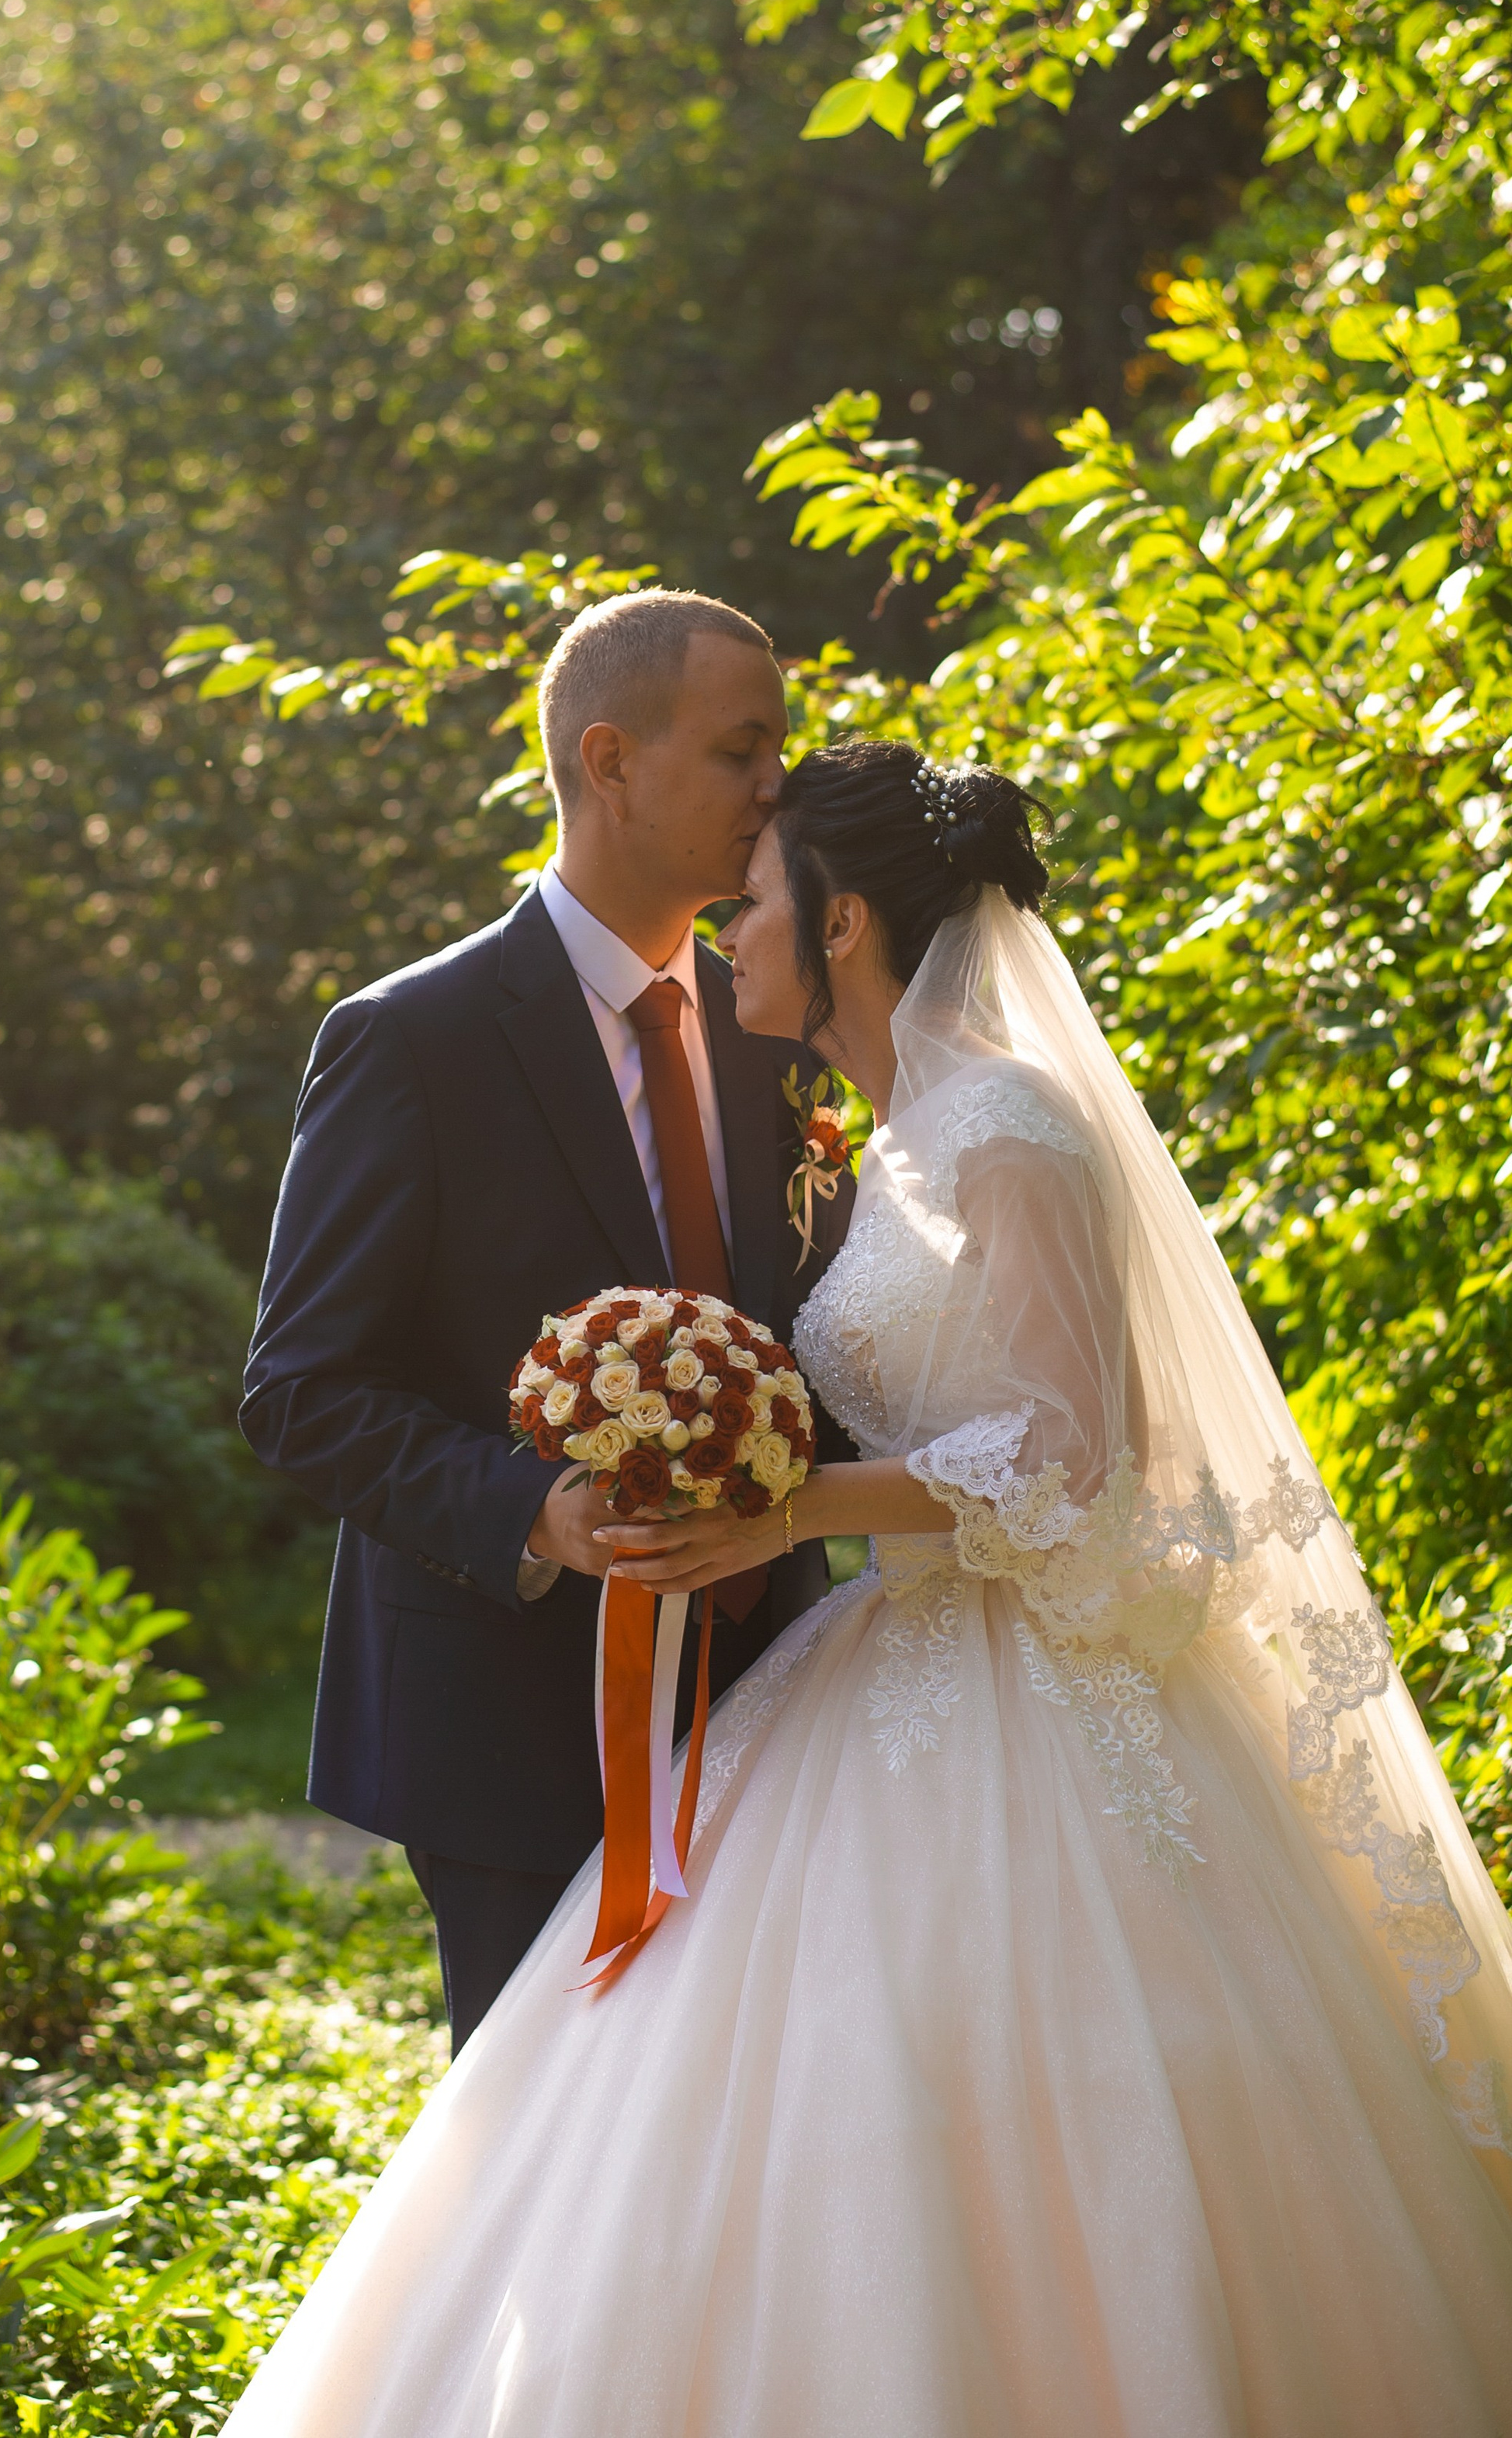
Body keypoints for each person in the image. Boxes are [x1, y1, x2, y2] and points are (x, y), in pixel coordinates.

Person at [224, 737, 1512, 2438]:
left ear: (839, 926)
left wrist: (776, 1504)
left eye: (759, 886)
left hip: (996, 1686)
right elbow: (308, 1379)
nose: (729, 916)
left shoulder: (1003, 1126)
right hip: (821, 1658)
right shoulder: (872, 1126)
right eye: (737, 774)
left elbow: (1066, 1459)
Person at [240, 590, 850, 2048]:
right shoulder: (413, 1038)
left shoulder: (779, 1027)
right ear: (610, 759)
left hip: (780, 1694)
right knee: (543, 2168)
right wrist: (540, 1515)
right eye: (742, 750)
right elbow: (302, 1385)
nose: (778, 789)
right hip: (508, 1721)